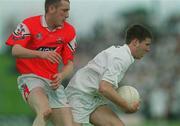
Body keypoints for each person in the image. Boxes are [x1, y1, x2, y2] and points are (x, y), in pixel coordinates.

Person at [6, 0, 76, 126]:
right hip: (31, 78)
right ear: (51, 9)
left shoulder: (70, 31)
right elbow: (15, 50)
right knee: (45, 112)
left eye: (68, 10)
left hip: (53, 83)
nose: (67, 15)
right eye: (64, 10)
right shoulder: (29, 24)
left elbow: (69, 64)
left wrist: (61, 76)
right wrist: (42, 54)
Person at [65, 24, 152, 126]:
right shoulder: (122, 58)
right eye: (147, 44)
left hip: (93, 98)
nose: (148, 49)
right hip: (79, 96)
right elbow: (105, 88)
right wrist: (126, 105)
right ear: (136, 42)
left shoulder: (123, 54)